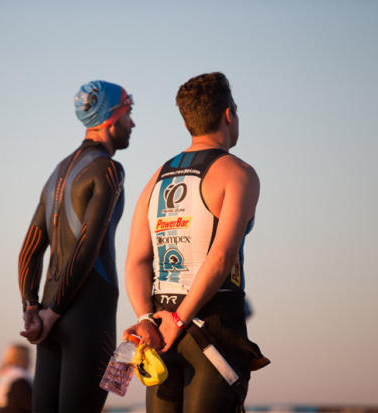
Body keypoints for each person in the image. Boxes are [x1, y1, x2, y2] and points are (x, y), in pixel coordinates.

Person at [124, 72, 269, 412]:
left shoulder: (157, 178)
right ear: (228, 115)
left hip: (160, 328)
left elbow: (137, 260)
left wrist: (146, 318)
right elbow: (220, 258)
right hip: (213, 325)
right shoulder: (238, 173)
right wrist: (179, 321)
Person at [17, 80, 135, 413]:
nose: (133, 124)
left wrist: (32, 308)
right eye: (129, 113)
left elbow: (30, 249)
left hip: (49, 319)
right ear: (112, 117)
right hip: (88, 314)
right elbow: (88, 242)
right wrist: (53, 311)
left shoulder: (57, 173)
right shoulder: (108, 169)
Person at [0, 344, 32, 413]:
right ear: (21, 358)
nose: (30, 360)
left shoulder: (4, 374)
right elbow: (27, 403)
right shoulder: (19, 377)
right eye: (28, 357)